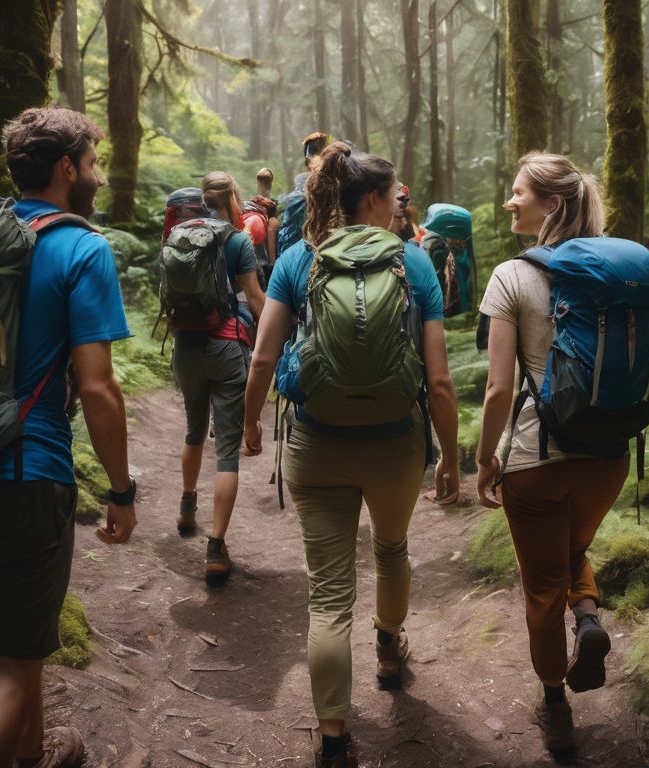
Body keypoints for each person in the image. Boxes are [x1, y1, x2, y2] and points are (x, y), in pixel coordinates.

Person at [0, 106, 136, 768]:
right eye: (93, 164)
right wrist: (121, 490)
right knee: (6, 673)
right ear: (67, 169)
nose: (96, 176)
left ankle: (35, 753)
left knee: (14, 637)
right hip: (21, 476)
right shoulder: (81, 247)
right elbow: (97, 388)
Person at [243, 142, 461, 768]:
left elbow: (262, 357)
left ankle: (334, 737)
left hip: (316, 441)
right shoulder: (414, 264)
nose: (400, 204)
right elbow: (440, 382)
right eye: (395, 195)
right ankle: (390, 650)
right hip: (395, 442)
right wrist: (448, 456)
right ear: (373, 198)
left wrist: (253, 426)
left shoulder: (296, 260)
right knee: (391, 550)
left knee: (329, 594)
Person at [473, 152, 630, 759]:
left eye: (518, 193)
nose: (509, 202)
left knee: (541, 587)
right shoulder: (616, 269)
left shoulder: (512, 276)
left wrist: (486, 459)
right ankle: (588, 614)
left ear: (552, 204)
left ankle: (555, 705)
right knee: (572, 548)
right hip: (608, 456)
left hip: (538, 459)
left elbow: (498, 389)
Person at [172, 171, 266, 585]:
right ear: (231, 196)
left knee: (194, 431)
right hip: (226, 348)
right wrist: (275, 337)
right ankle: (215, 547)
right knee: (226, 451)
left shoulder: (180, 234)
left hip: (186, 348)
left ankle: (187, 506)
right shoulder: (237, 239)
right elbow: (256, 298)